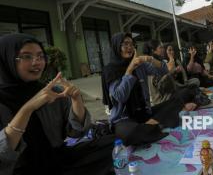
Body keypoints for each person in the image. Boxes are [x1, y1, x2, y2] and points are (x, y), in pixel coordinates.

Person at [0, 34, 113, 175]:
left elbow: (77, 132)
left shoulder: (50, 92)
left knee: (112, 143)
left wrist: (76, 100)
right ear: (7, 60)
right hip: (18, 170)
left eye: (40, 56)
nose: (36, 62)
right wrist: (28, 109)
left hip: (55, 159)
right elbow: (2, 157)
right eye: (27, 56)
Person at [101, 33, 197, 146]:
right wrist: (130, 69)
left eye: (132, 44)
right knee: (129, 135)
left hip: (144, 113)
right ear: (117, 47)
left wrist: (149, 58)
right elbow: (120, 96)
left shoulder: (140, 64)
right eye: (125, 44)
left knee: (178, 99)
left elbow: (164, 71)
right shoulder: (110, 70)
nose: (130, 47)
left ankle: (150, 125)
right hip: (124, 119)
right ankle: (156, 124)